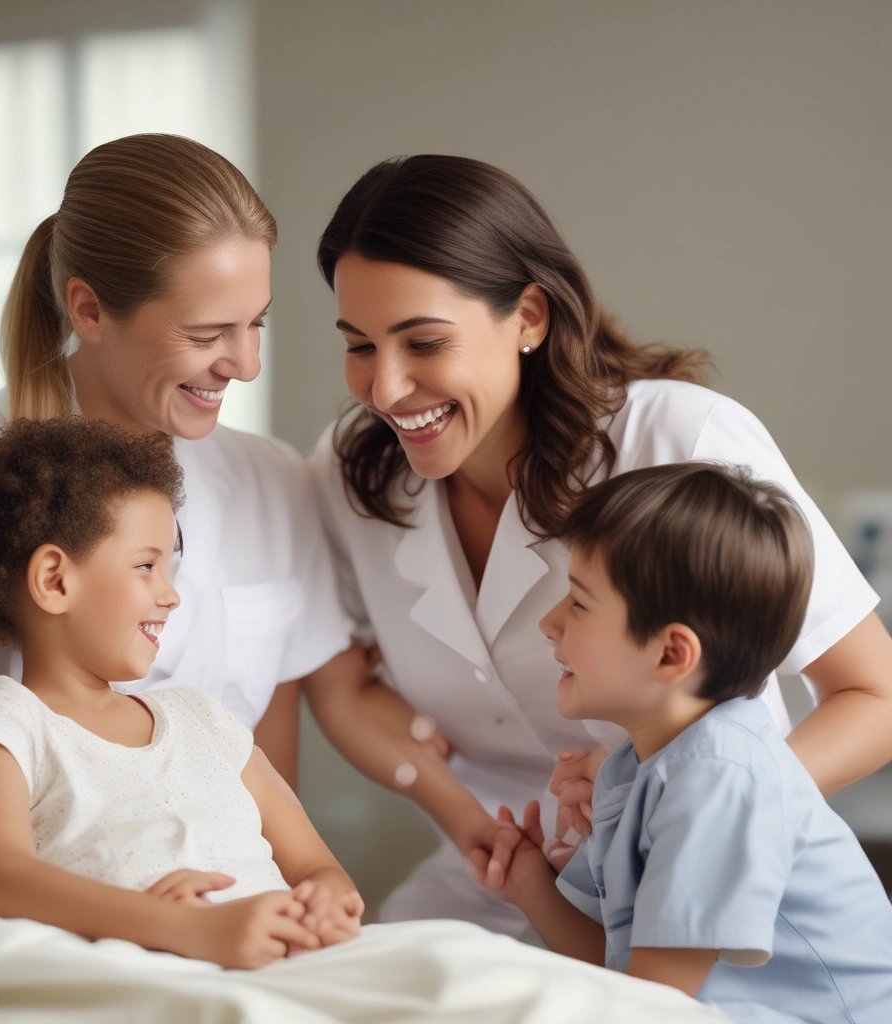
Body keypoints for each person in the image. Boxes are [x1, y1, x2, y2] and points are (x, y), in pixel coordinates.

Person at [305, 154, 892, 941]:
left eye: (423, 342)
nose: (385, 390)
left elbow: (875, 697)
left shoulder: (677, 436)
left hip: (710, 881)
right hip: (498, 876)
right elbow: (342, 680)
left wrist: (692, 816)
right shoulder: (354, 470)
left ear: (530, 318)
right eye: (359, 346)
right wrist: (450, 800)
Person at [0, 133, 361, 874]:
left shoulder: (273, 482)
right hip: (17, 908)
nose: (247, 364)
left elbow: (268, 791)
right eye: (206, 333)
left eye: (255, 322)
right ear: (90, 310)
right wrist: (118, 903)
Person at [0, 417, 363, 969]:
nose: (172, 596)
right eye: (146, 566)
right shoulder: (8, 723)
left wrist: (330, 900)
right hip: (171, 973)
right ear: (55, 580)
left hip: (297, 960)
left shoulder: (203, 720)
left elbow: (317, 866)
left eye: (170, 568)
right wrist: (186, 928)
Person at [471, 461, 892, 1023]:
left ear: (671, 654)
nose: (550, 623)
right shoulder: (639, 766)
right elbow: (624, 976)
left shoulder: (720, 776)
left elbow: (650, 1006)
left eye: (578, 603)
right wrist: (531, 884)